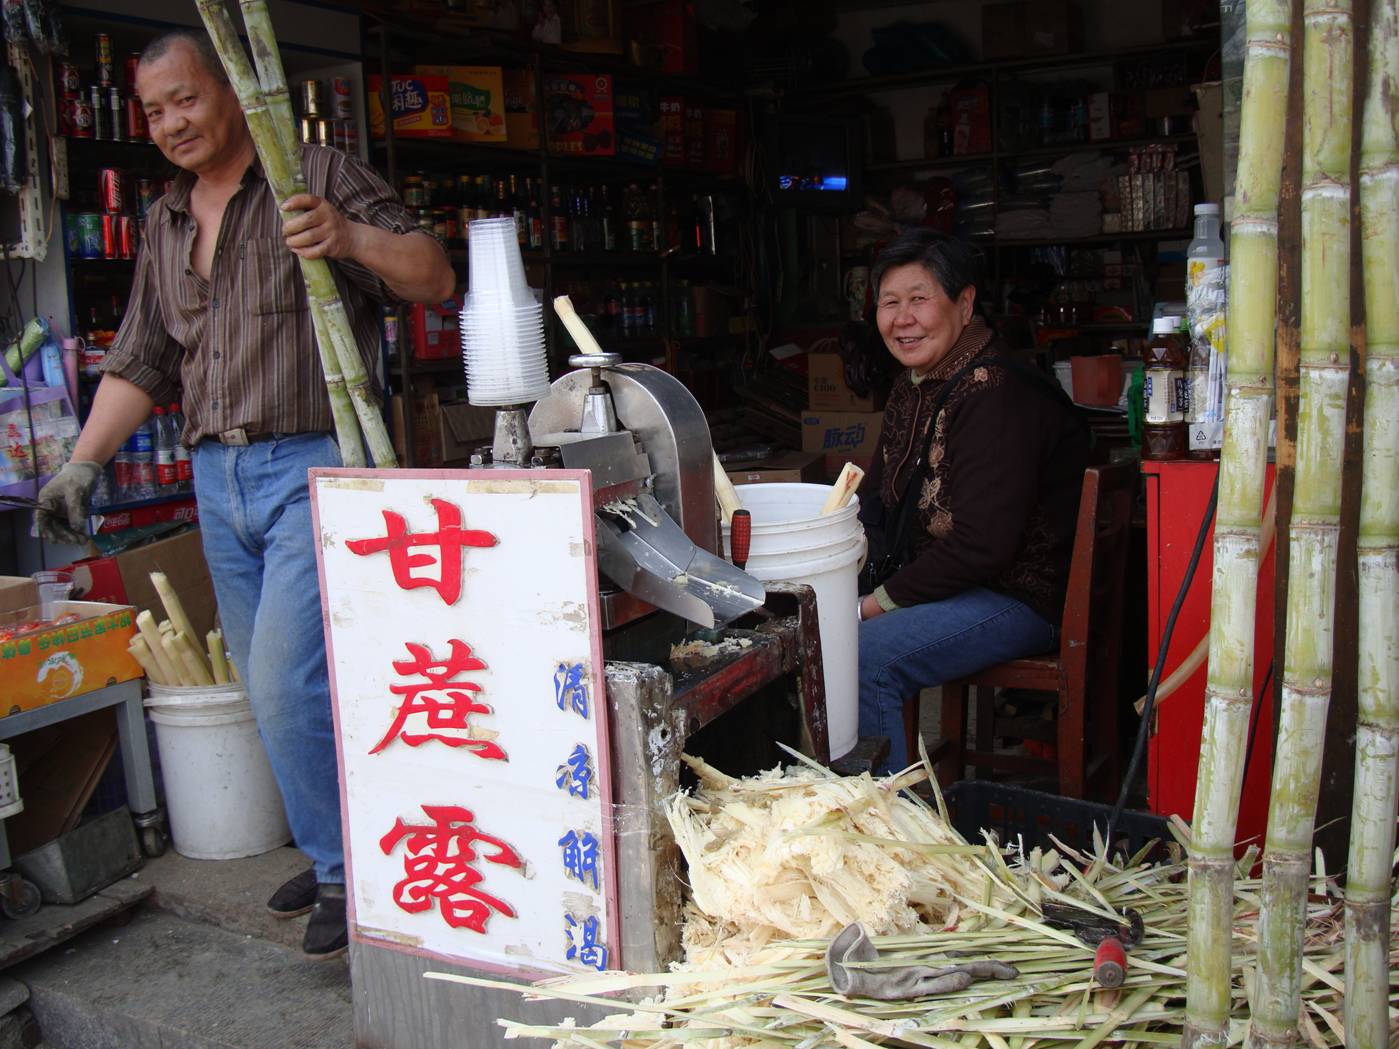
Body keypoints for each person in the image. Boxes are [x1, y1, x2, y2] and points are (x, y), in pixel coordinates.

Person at [34, 29, 455, 960]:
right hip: (216, 479)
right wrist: (83, 462)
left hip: (315, 462)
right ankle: (342, 841)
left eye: (186, 99)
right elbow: (144, 355)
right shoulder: (165, 220)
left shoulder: (311, 169)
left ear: (231, 87)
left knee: (282, 678)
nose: (172, 123)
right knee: (296, 689)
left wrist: (346, 236)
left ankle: (349, 874)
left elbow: (434, 273)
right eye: (153, 112)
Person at [856, 229, 1089, 774]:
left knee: (865, 657)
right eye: (890, 303)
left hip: (1018, 594)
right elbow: (874, 498)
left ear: (965, 303)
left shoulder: (992, 393)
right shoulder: (914, 386)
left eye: (919, 299)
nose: (902, 318)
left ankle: (887, 835)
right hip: (962, 584)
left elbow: (983, 546)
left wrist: (873, 605)